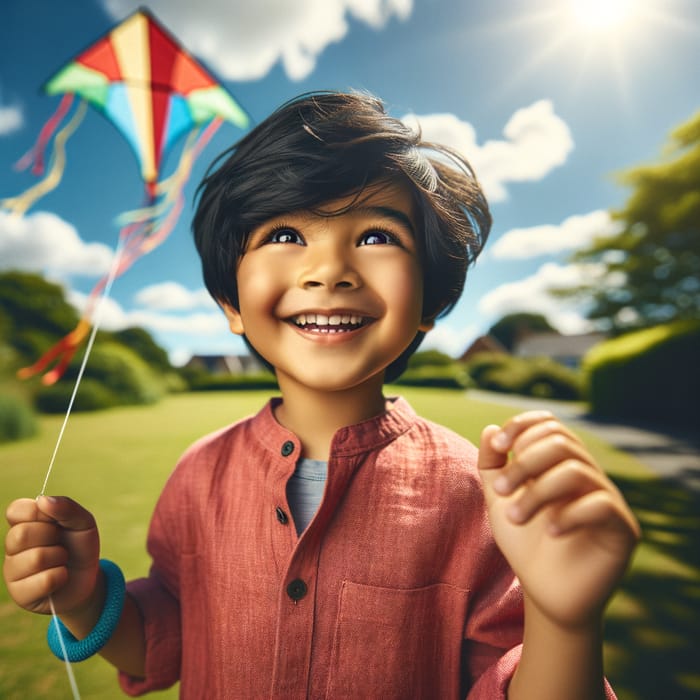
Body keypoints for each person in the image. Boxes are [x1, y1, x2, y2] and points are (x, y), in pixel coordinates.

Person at [4, 91, 639, 698]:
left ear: (429, 302)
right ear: (231, 302)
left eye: (376, 236)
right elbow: (167, 642)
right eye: (284, 235)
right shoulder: (197, 474)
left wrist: (565, 621)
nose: (329, 270)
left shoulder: (479, 496)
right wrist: (87, 602)